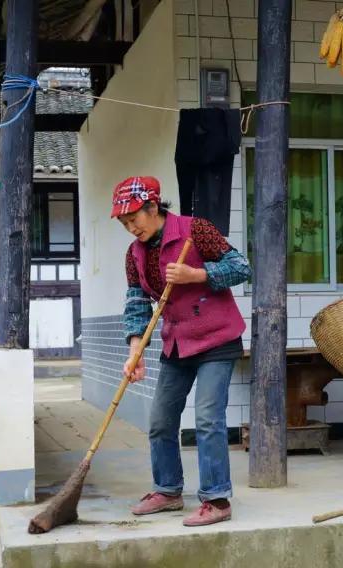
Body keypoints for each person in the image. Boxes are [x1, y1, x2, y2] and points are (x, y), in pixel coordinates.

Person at [111, 176, 251, 527]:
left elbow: (241, 268)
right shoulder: (135, 255)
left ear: (153, 207)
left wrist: (196, 274)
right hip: (177, 343)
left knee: (207, 419)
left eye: (134, 219)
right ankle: (168, 490)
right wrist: (135, 350)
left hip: (216, 338)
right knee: (160, 420)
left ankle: (217, 499)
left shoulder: (196, 231)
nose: (131, 228)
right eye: (125, 223)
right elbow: (136, 302)